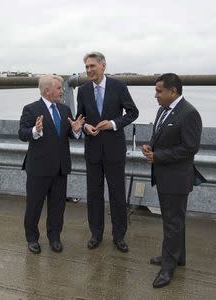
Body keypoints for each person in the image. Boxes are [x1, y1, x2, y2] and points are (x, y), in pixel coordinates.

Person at [142, 73, 206, 288]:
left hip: (177, 178)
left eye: (159, 91)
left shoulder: (189, 114)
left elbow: (190, 148)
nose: (155, 95)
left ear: (173, 91)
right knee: (173, 221)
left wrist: (158, 156)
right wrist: (150, 146)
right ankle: (178, 257)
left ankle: (168, 268)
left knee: (173, 222)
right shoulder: (163, 110)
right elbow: (160, 134)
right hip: (164, 175)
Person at [76, 51, 139, 253]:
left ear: (103, 66)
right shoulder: (84, 90)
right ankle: (96, 234)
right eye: (86, 67)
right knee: (94, 195)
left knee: (117, 195)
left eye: (92, 66)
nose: (89, 70)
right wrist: (85, 128)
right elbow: (80, 117)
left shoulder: (119, 87)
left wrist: (112, 124)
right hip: (93, 150)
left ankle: (119, 236)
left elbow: (133, 112)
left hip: (114, 150)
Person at [18, 75, 85, 254]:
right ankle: (32, 238)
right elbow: (22, 133)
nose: (62, 91)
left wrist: (76, 130)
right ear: (47, 90)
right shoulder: (31, 109)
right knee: (34, 206)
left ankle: (54, 238)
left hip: (60, 168)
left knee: (57, 207)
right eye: (59, 88)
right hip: (38, 168)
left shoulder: (64, 110)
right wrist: (35, 130)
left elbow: (70, 134)